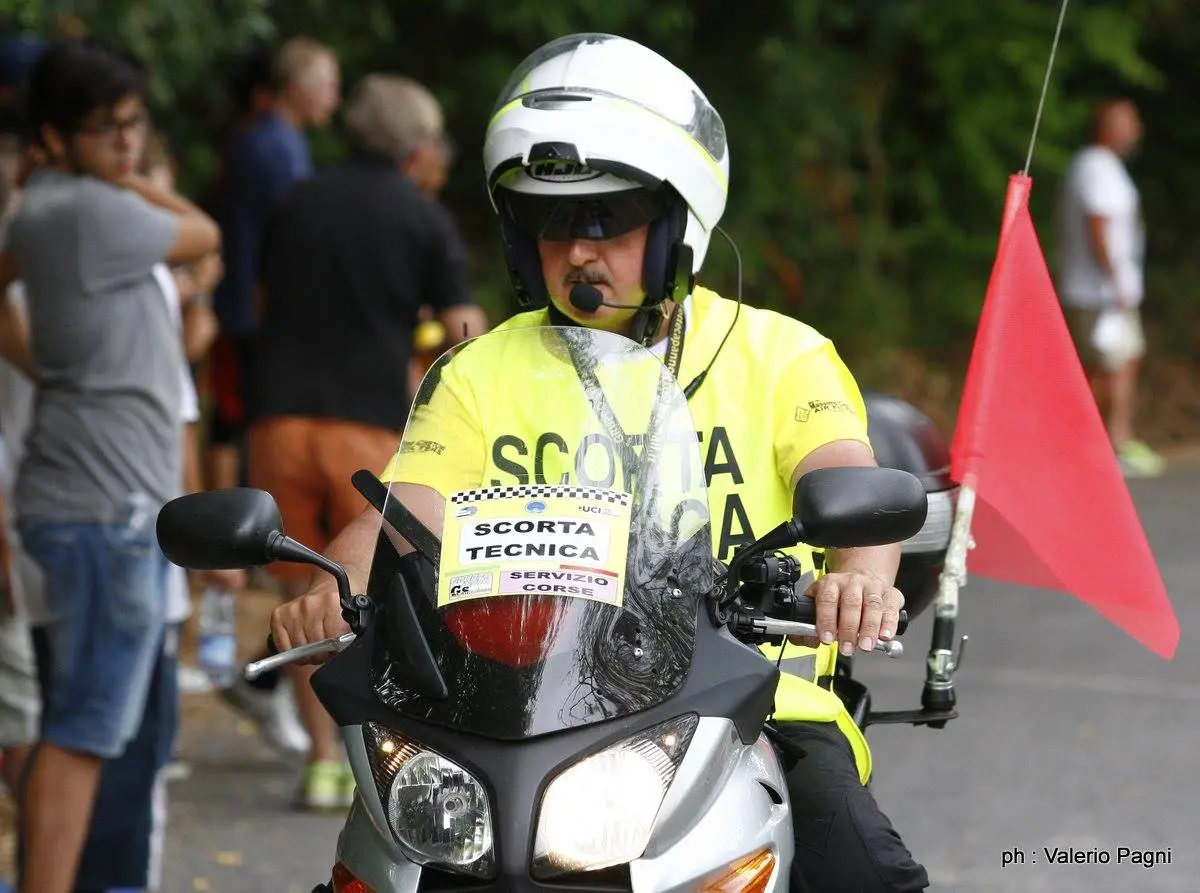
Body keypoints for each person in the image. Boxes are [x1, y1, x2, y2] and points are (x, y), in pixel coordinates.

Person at [271, 33, 928, 892]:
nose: (578, 250)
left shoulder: (781, 354)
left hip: (751, 706)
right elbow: (400, 510)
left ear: (675, 218)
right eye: (550, 222)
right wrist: (333, 586)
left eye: (607, 218)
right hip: (504, 715)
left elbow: (845, 480)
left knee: (862, 865)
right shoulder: (479, 372)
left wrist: (860, 579)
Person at [0, 38, 221, 893]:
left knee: (84, 725)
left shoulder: (45, 210)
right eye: (104, 132)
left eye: (133, 127)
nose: (125, 147)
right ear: (51, 137)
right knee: (85, 731)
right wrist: (124, 181)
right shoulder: (90, 212)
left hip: (91, 501)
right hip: (106, 508)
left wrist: (44, 366)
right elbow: (202, 230)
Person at [239, 73, 485, 809]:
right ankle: (374, 759)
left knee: (304, 593)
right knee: (373, 596)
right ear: (416, 147)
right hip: (367, 428)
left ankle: (319, 760)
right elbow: (464, 332)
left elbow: (257, 301)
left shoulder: (299, 199)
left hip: (279, 419)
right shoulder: (423, 218)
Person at [1057, 98, 1164, 478]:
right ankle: (1100, 444)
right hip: (1099, 292)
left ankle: (1110, 440)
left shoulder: (1104, 167)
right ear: (1106, 126)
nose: (1136, 127)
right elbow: (1098, 223)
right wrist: (1115, 279)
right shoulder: (1095, 167)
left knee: (1121, 363)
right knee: (1109, 368)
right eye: (1127, 120)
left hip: (1107, 290)